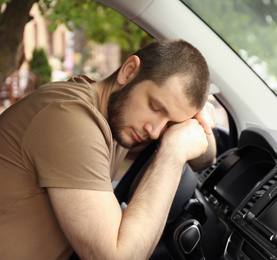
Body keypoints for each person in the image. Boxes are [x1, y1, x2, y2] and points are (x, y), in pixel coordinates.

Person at [0, 39, 216, 259]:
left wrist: (200, 119)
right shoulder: (68, 120)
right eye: (154, 106)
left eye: (170, 124)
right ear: (129, 72)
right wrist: (173, 154)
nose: (155, 132)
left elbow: (204, 159)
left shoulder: (117, 118)